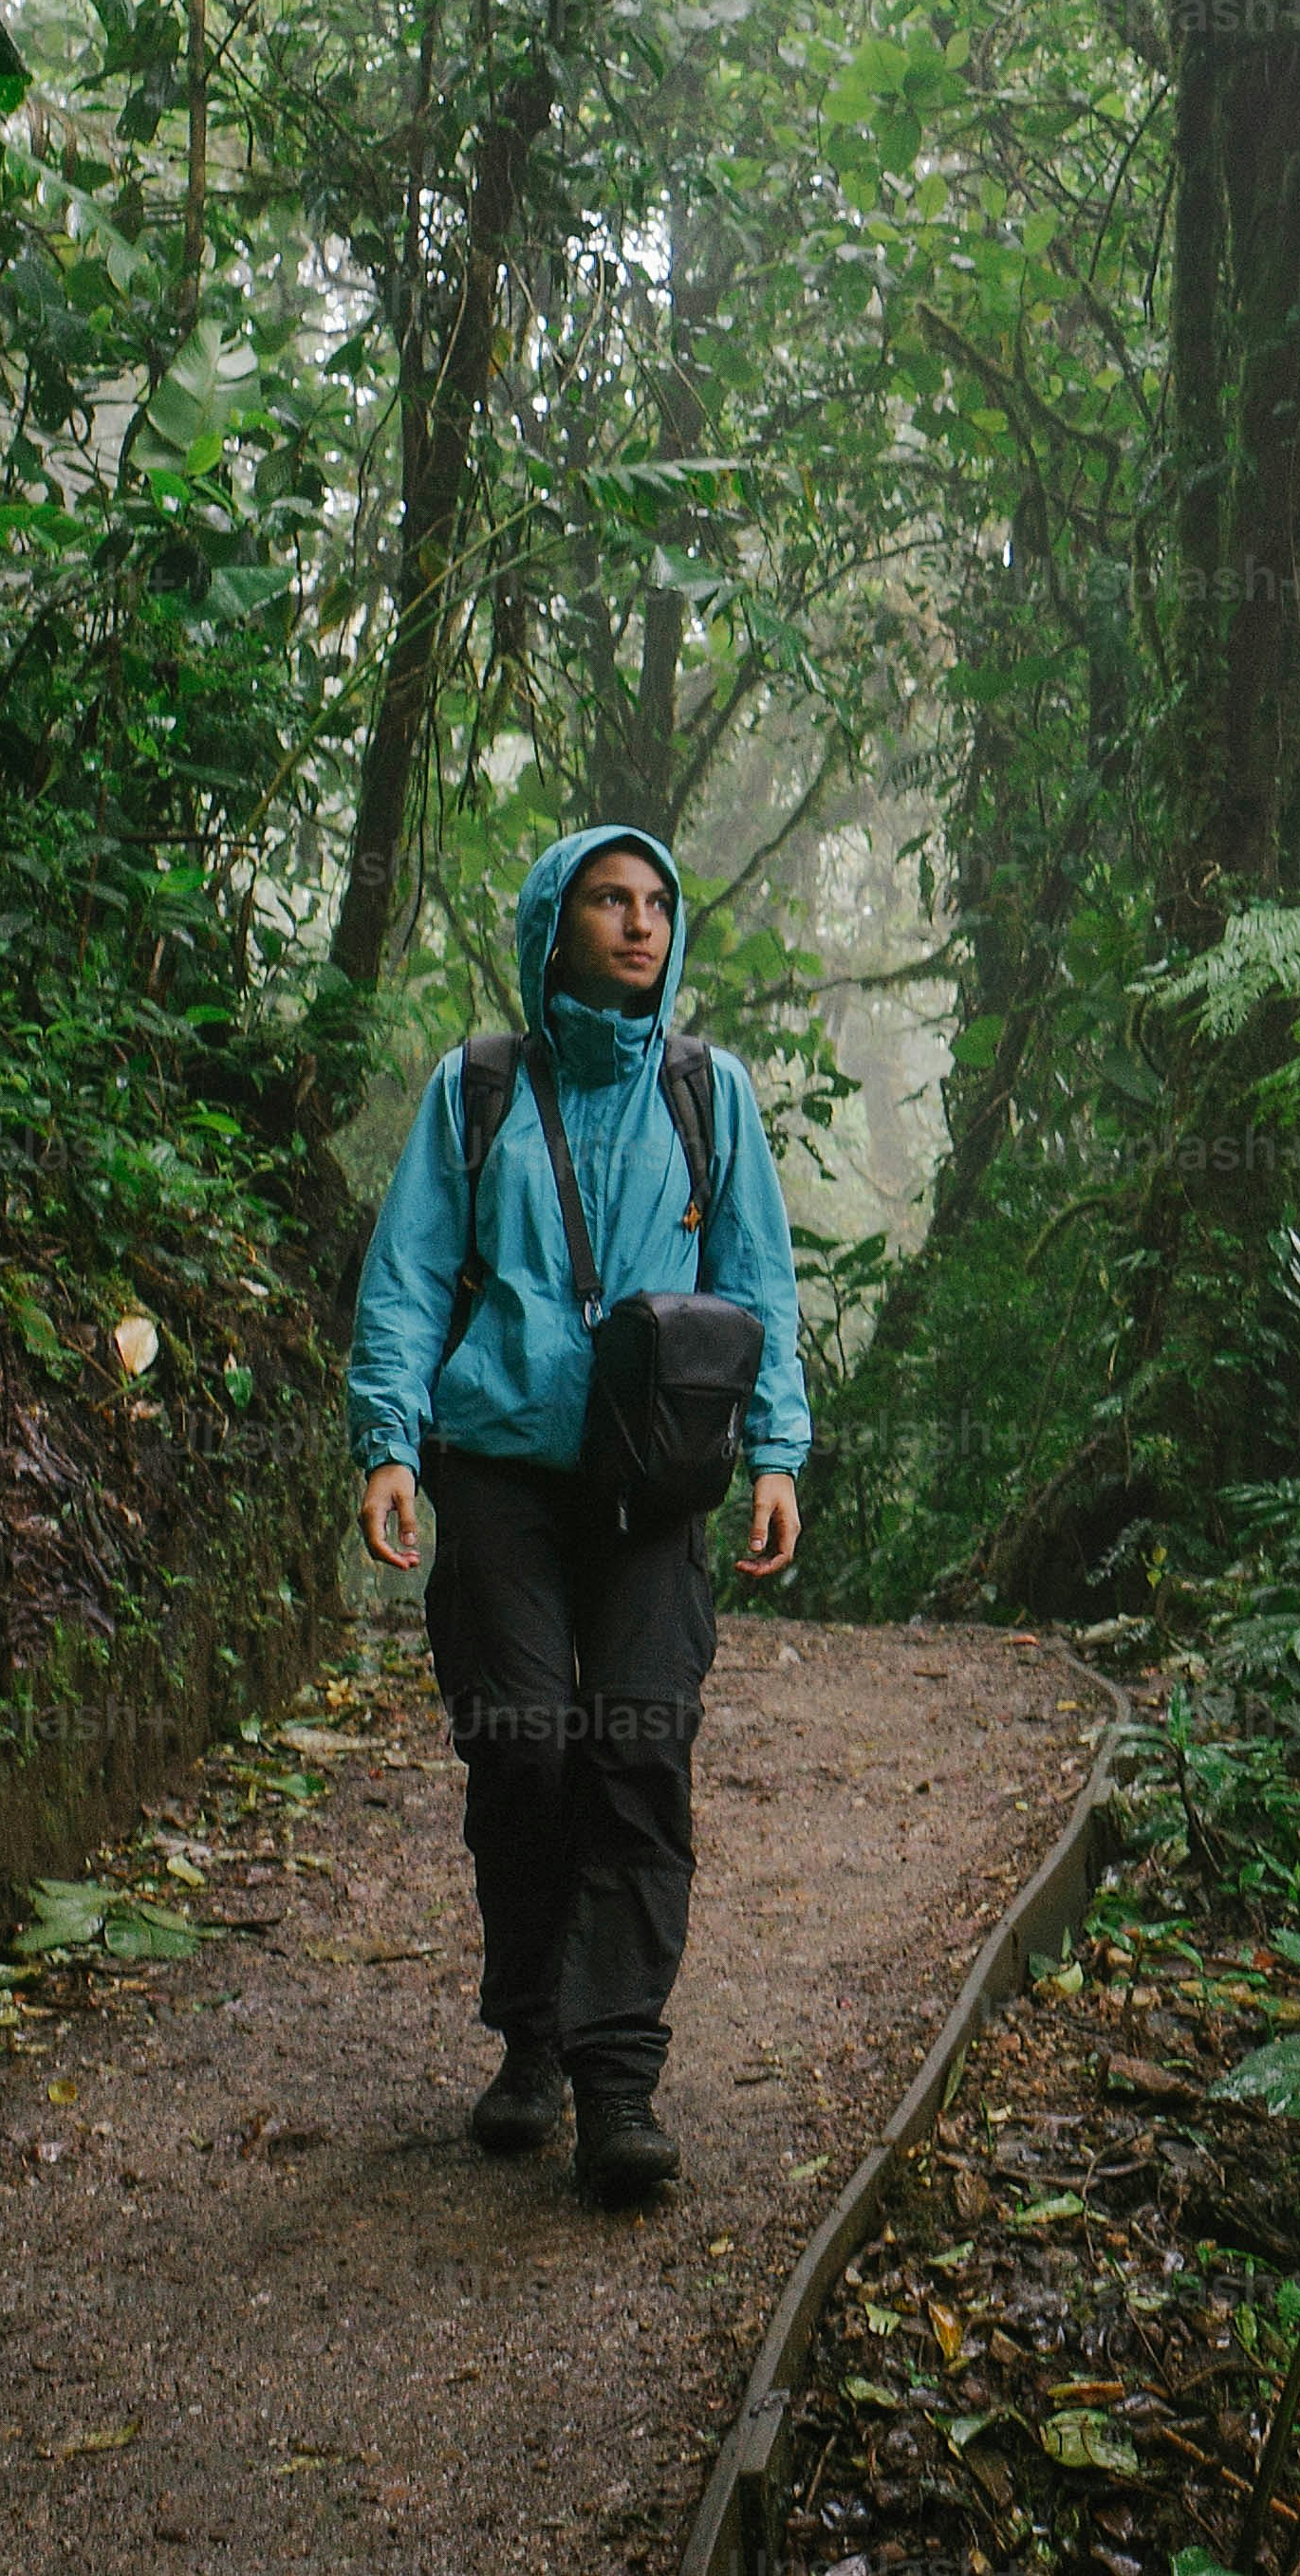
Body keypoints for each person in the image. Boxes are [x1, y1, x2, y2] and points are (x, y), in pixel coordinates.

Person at [344, 827, 810, 2208]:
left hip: (656, 1483)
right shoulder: (477, 1089)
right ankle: (531, 2038)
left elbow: (758, 1286)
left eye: (658, 902)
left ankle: (618, 2083)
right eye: (610, 900)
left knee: (641, 1752)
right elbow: (413, 1273)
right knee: (527, 1750)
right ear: (555, 924)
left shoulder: (706, 1093)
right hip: (498, 1475)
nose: (639, 923)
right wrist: (389, 1444)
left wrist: (776, 1451)